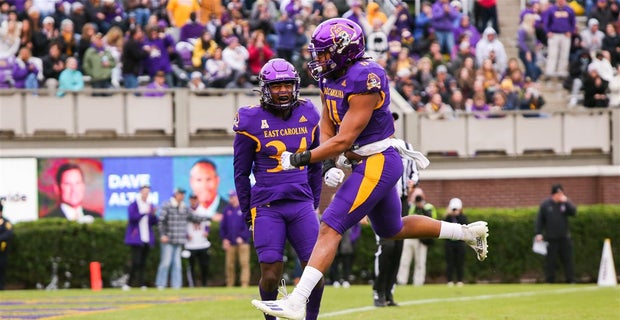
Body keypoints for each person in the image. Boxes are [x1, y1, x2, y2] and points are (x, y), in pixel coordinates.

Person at [252, 18, 489, 320]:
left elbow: (346, 138)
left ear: (344, 50)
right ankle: (467, 232)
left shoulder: (367, 77)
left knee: (330, 225)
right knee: (392, 228)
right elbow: (327, 123)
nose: (319, 59)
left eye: (324, 52)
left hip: (379, 160)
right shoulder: (331, 77)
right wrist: (325, 161)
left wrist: (302, 158)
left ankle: (298, 301)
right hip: (361, 160)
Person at [234, 58, 324, 320]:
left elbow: (315, 164)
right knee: (271, 272)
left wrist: (313, 202)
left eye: (287, 84)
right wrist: (246, 214)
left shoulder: (309, 113)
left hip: (300, 203)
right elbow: (241, 173)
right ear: (265, 88)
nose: (283, 90)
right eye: (276, 86)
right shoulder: (250, 119)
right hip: (267, 206)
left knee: (314, 270)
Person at [372, 112, 418, 307]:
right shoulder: (373, 147)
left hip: (402, 199)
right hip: (381, 201)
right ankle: (378, 290)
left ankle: (389, 292)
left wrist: (412, 181)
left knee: (398, 247)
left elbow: (414, 171)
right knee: (386, 246)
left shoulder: (406, 146)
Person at [535, 183, 577, 283]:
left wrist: (567, 202)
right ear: (553, 194)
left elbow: (574, 212)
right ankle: (550, 280)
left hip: (564, 237)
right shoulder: (545, 205)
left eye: (561, 194)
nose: (560, 196)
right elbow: (540, 220)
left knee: (568, 259)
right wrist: (538, 233)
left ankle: (570, 279)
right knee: (551, 261)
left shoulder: (564, 204)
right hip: (551, 237)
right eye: (558, 194)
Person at [123, 184, 158, 290]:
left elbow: (153, 222)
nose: (146, 194)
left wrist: (152, 214)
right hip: (136, 238)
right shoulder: (134, 205)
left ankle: (142, 283)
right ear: (140, 192)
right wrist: (143, 213)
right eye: (144, 192)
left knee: (143, 262)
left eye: (148, 192)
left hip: (146, 237)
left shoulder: (150, 205)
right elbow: (132, 218)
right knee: (136, 262)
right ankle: (129, 283)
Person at [397, 194, 437, 286]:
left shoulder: (429, 207)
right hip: (410, 237)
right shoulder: (411, 207)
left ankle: (418, 282)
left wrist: (422, 208)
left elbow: (432, 219)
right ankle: (401, 280)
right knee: (405, 260)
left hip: (422, 238)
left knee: (420, 261)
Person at [155, 188, 191, 289]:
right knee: (165, 263)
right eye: (180, 194)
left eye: (183, 194)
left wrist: (209, 217)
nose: (182, 196)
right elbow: (161, 221)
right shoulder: (167, 205)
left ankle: (177, 286)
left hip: (179, 239)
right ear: (176, 194)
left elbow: (193, 216)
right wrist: (162, 235)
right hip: (168, 240)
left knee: (177, 265)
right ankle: (161, 284)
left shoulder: (184, 207)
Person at [219, 190, 250, 288]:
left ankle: (244, 283)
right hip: (230, 242)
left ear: (237, 197)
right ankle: (230, 283)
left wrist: (243, 237)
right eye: (230, 197)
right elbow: (222, 226)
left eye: (232, 197)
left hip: (243, 242)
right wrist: (224, 239)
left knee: (244, 263)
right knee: (229, 265)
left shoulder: (243, 208)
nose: (231, 199)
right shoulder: (227, 210)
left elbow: (248, 225)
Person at [184, 193, 212, 288]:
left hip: (202, 243)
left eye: (195, 199)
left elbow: (208, 223)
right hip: (191, 244)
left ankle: (204, 284)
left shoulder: (203, 210)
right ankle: (193, 285)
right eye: (192, 199)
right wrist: (186, 234)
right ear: (189, 200)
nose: (193, 201)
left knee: (204, 265)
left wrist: (207, 231)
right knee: (191, 266)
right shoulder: (186, 211)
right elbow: (182, 225)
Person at [444, 198, 468, 286]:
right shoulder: (448, 217)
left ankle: (459, 280)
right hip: (450, 244)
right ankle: (449, 280)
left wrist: (458, 215)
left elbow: (465, 227)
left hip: (460, 243)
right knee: (450, 262)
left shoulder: (463, 217)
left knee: (459, 263)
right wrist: (450, 215)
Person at [0, 202, 14, 290]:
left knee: (1, 268)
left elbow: (9, 234)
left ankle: (1, 286)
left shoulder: (6, 222)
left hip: (2, 251)